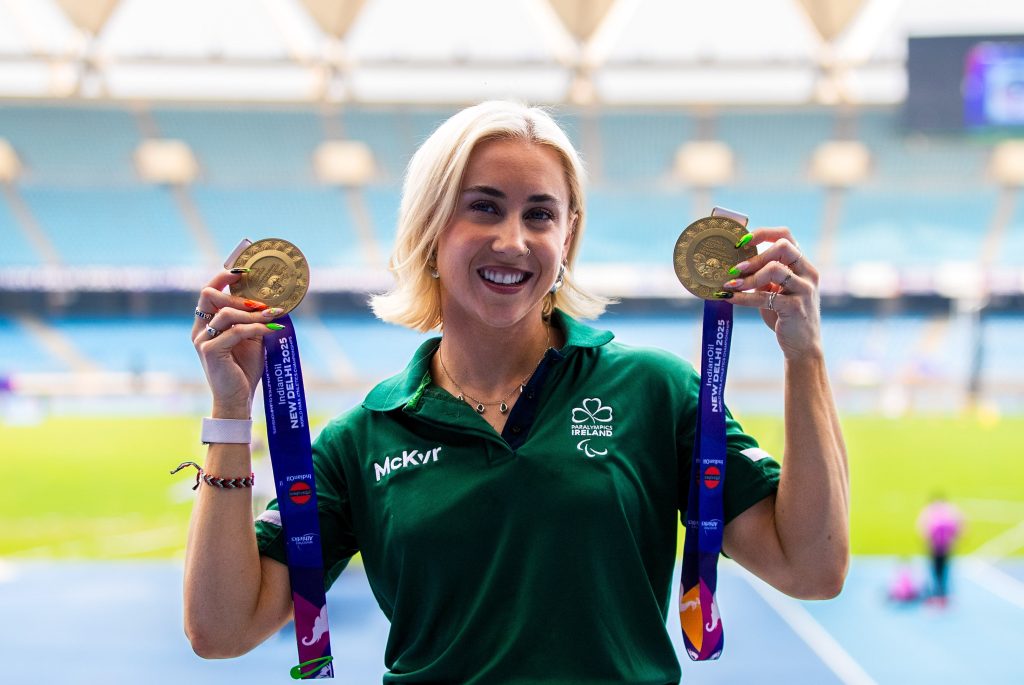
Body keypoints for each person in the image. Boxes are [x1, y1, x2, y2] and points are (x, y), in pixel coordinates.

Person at [184, 101, 849, 683]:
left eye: (540, 214)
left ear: (567, 237)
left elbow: (811, 567)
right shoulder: (363, 436)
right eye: (484, 207)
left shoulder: (656, 391)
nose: (513, 240)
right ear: (429, 229)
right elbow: (222, 629)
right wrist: (231, 413)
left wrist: (806, 354)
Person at [917, 495, 963, 606]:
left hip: (937, 547)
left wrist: (927, 542)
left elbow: (923, 528)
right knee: (941, 570)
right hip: (943, 547)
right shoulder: (949, 512)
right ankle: (941, 593)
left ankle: (939, 593)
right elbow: (957, 527)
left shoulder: (930, 512)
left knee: (938, 570)